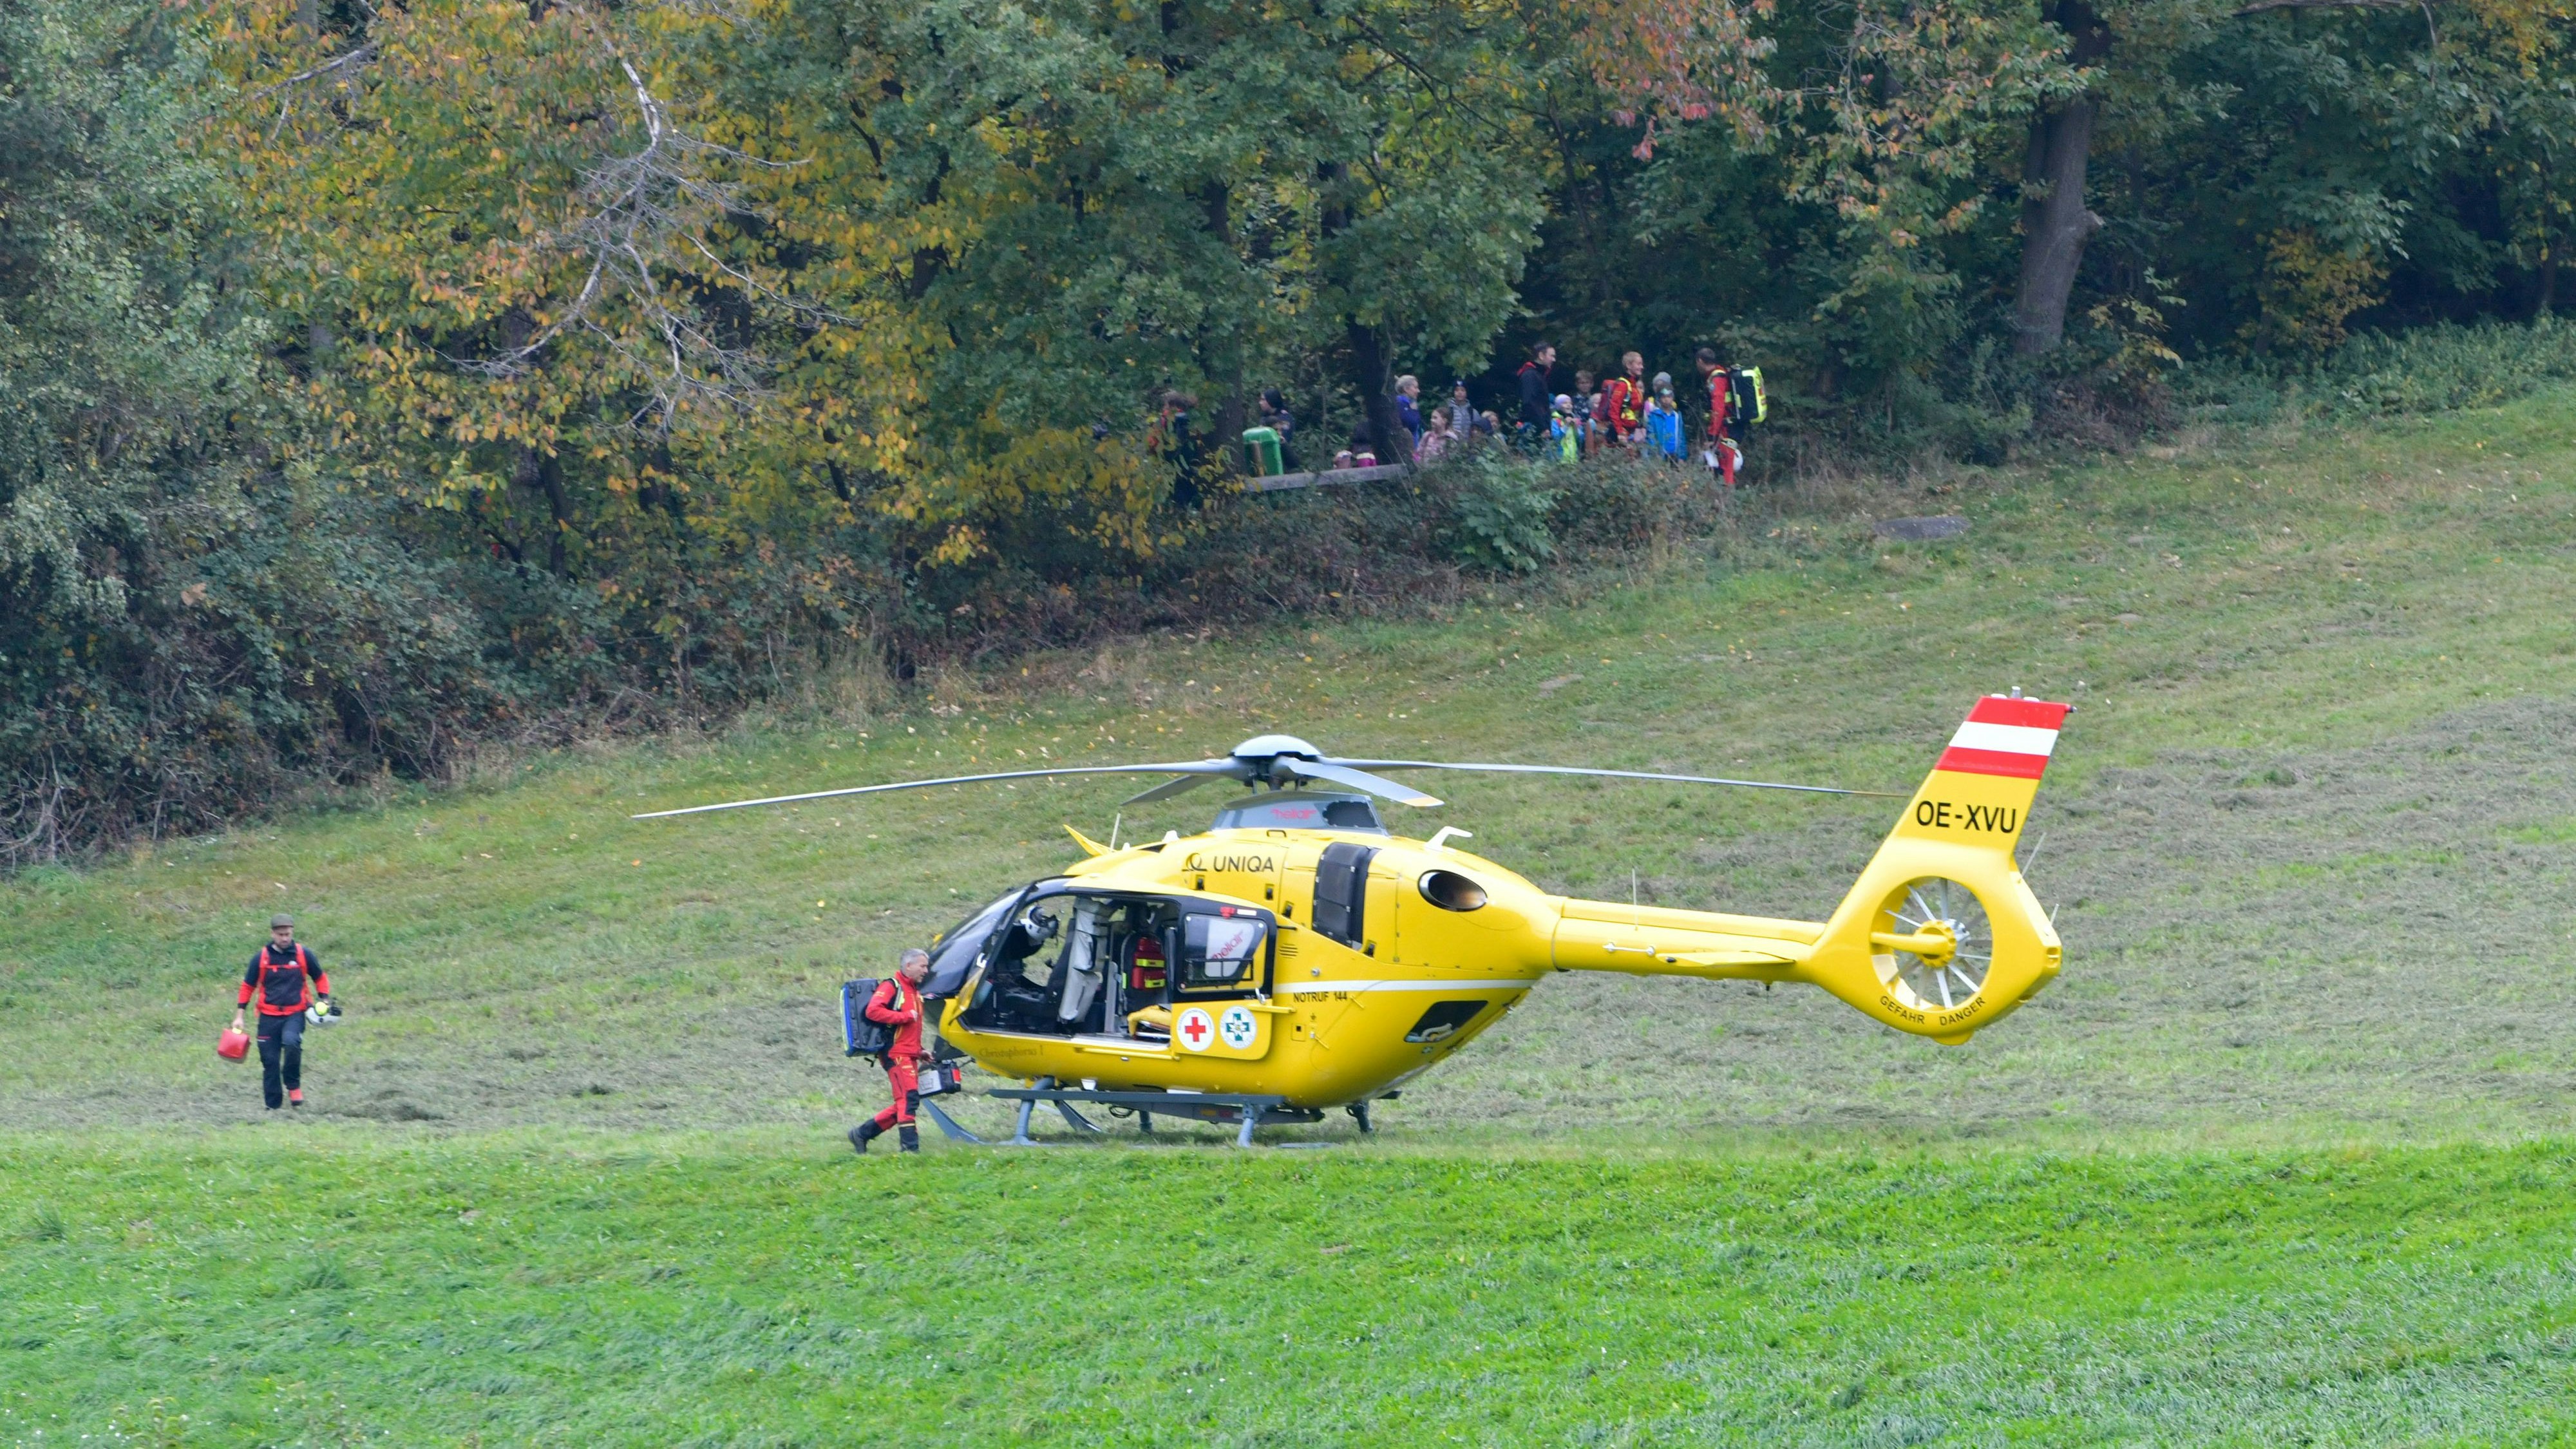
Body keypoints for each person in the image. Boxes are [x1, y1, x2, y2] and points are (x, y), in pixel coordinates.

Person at [231, 914, 332, 1112]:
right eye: (280, 935)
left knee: (292, 1043)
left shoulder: (303, 954)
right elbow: (247, 987)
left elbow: (320, 978)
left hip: (295, 1013)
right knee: (270, 1062)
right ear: (272, 934)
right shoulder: (261, 958)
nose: (285, 938)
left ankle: (293, 1086)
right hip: (268, 1017)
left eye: (288, 934)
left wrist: (325, 999)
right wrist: (239, 1016)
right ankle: (273, 1107)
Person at [849, 948, 933, 1155]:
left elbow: (909, 1031)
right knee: (908, 1099)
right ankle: (910, 1150)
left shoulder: (914, 991)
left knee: (907, 1101)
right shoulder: (891, 986)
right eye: (923, 966)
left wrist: (920, 1051)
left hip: (908, 1053)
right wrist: (905, 1017)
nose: (926, 970)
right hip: (895, 1054)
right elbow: (873, 1010)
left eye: (926, 966)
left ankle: (861, 1134)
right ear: (908, 966)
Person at [1694, 346, 1743, 486]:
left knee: (1726, 466)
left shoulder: (1717, 379)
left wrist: (1712, 435)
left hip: (1728, 428)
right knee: (1723, 465)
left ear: (1700, 361)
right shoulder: (1721, 374)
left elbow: (1718, 409)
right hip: (1731, 426)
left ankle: (1726, 501)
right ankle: (1721, 499)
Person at [1603, 351, 1649, 444]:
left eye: (1642, 364)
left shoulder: (1634, 386)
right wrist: (1620, 432)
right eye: (1639, 364)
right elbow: (1614, 410)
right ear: (1629, 365)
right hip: (1621, 432)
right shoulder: (1623, 385)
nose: (1642, 367)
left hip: (1633, 430)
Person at [1515, 343, 1556, 438]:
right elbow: (1530, 402)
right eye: (1552, 356)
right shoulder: (1530, 375)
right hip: (1533, 429)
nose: (1554, 360)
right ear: (1541, 356)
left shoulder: (1538, 375)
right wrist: (1542, 427)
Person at [1258, 388, 1300, 470]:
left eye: (1263, 400)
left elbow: (1282, 439)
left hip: (1282, 458)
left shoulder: (1285, 418)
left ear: (1271, 400)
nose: (1260, 403)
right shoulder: (1264, 418)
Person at [1646, 373, 1685, 459]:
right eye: (1663, 397)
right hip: (1659, 456)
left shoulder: (1677, 416)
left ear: (1672, 397)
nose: (1666, 399)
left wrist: (1682, 456)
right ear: (1659, 398)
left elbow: (1681, 437)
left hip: (1675, 456)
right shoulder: (1654, 416)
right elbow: (1651, 436)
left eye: (1669, 396)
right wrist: (1654, 452)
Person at [1549, 395, 1581, 463]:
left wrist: (1576, 428)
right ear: (1558, 406)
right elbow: (1556, 438)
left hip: (1574, 459)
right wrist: (1566, 426)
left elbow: (1580, 439)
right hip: (1560, 459)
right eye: (1565, 403)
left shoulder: (1574, 419)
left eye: (1570, 403)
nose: (1568, 405)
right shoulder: (1555, 421)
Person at [1394, 375, 1423, 447]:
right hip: (1405, 447)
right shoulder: (1400, 403)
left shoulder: (1409, 403)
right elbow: (1412, 424)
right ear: (1406, 389)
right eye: (1415, 388)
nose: (1418, 391)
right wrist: (1414, 410)